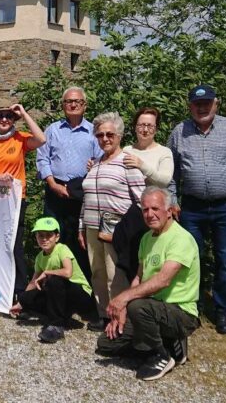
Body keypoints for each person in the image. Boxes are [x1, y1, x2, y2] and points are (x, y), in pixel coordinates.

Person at [167, 84, 226, 335]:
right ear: (190, 106)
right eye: (197, 104)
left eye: (207, 103)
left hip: (225, 206)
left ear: (216, 104)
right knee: (189, 260)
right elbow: (170, 170)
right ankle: (190, 308)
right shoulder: (179, 132)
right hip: (191, 208)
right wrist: (172, 199)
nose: (202, 107)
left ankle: (222, 311)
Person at [96, 187, 200, 382]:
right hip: (151, 309)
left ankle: (161, 355)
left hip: (180, 312)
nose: (150, 214)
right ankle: (169, 342)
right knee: (106, 344)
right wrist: (123, 309)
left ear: (169, 211)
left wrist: (125, 299)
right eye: (145, 210)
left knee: (138, 306)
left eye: (155, 208)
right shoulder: (147, 238)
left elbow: (163, 280)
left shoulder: (181, 239)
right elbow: (138, 278)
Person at [80, 112, 146, 331]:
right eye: (100, 135)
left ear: (119, 135)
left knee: (114, 274)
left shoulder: (127, 163)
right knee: (97, 271)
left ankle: (119, 315)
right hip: (91, 226)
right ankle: (103, 314)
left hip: (117, 229)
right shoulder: (95, 164)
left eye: (110, 134)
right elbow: (87, 196)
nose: (105, 139)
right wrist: (81, 225)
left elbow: (140, 198)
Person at [0, 103, 46, 295]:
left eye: (9, 116)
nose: (4, 119)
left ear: (13, 120)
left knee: (14, 244)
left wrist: (23, 112)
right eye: (0, 116)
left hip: (14, 200)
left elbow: (41, 139)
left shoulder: (19, 138)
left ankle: (19, 291)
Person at [36, 86, 102, 284]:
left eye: (77, 101)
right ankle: (50, 286)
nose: (73, 105)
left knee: (80, 241)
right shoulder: (52, 130)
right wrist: (52, 183)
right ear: (63, 105)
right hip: (54, 190)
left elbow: (103, 160)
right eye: (68, 102)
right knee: (52, 239)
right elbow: (42, 159)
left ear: (85, 105)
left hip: (81, 193)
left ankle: (81, 289)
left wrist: (95, 167)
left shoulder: (94, 132)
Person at [10, 217, 94, 344]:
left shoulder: (62, 249)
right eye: (40, 235)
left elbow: (67, 272)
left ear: (57, 237)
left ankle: (56, 327)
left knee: (54, 280)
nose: (44, 239)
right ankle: (59, 316)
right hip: (61, 296)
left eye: (49, 235)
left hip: (80, 295)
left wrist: (47, 272)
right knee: (36, 292)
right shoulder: (39, 257)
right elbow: (33, 282)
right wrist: (22, 302)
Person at [123, 107, 174, 189]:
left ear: (156, 129)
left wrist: (142, 165)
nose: (145, 130)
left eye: (150, 126)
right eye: (142, 125)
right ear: (135, 127)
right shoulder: (126, 151)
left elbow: (165, 182)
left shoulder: (164, 152)